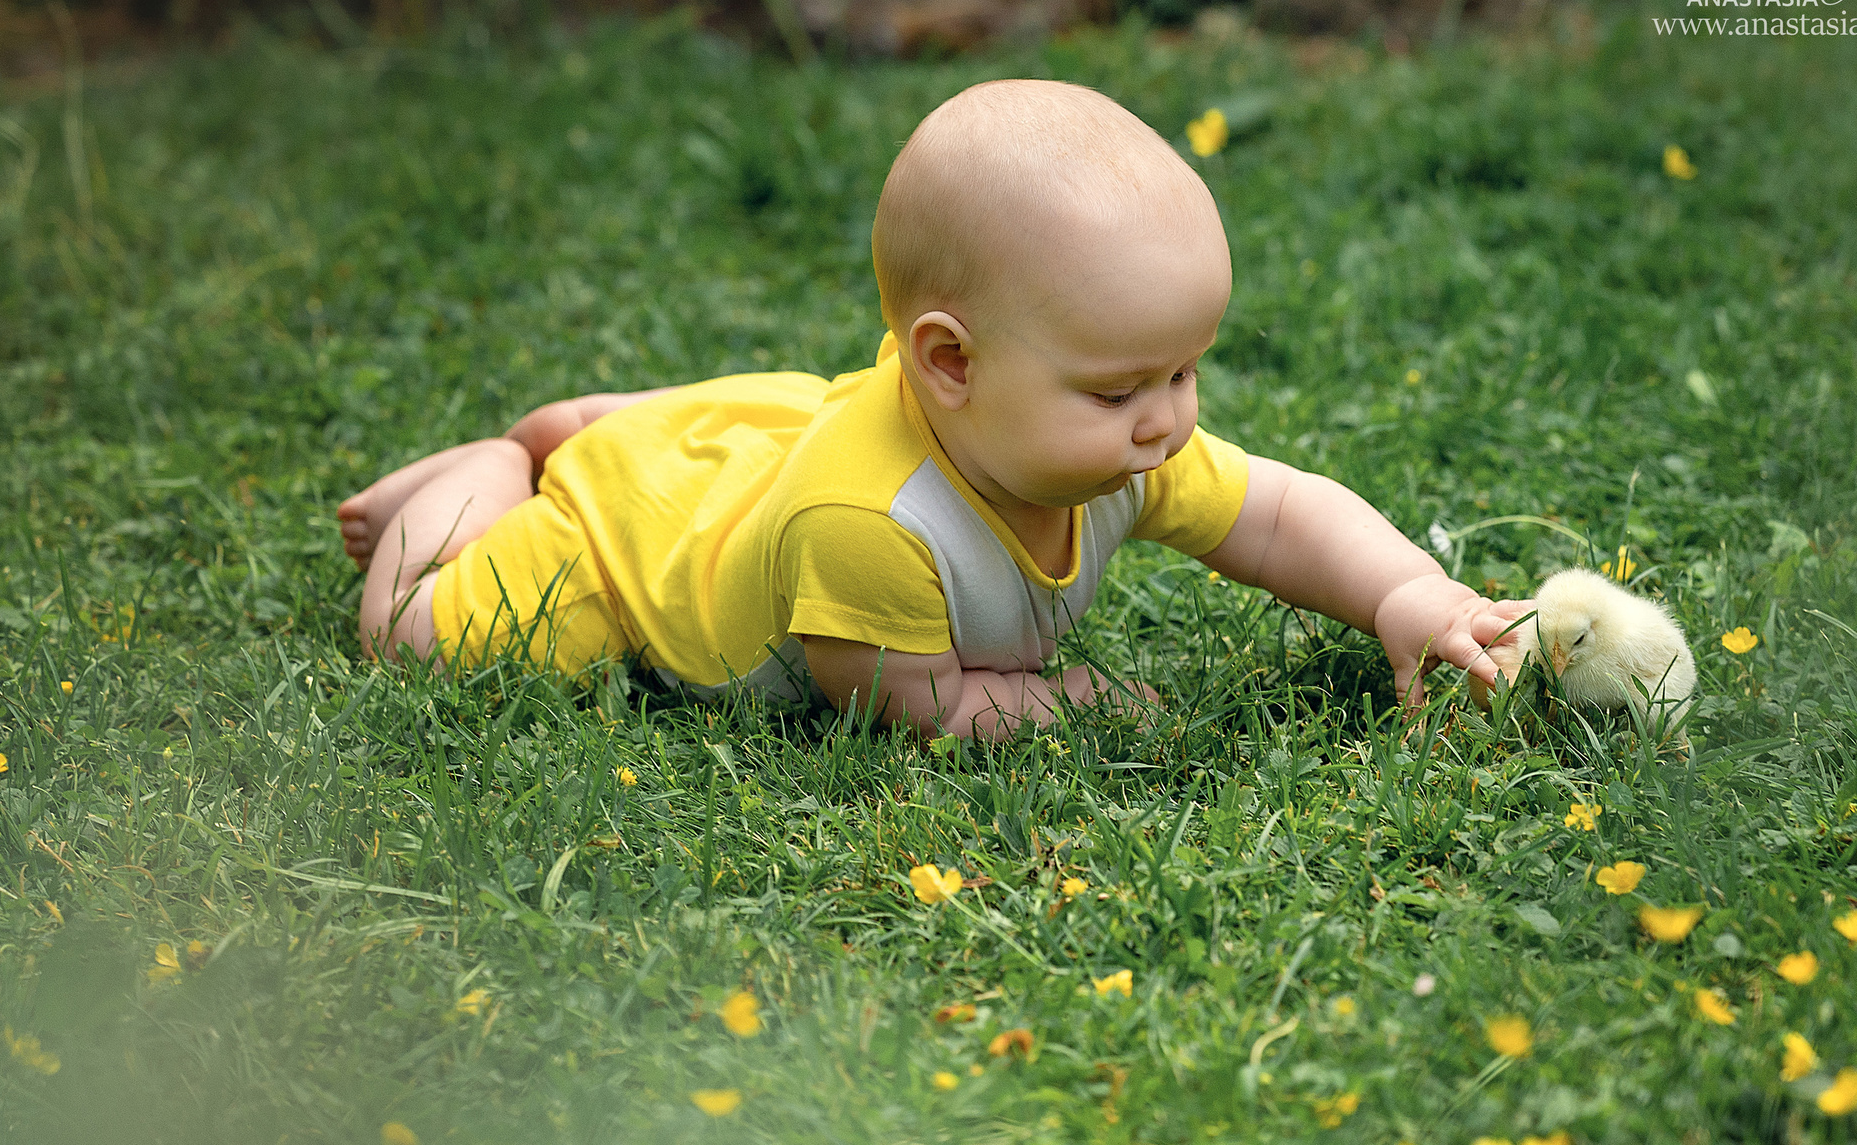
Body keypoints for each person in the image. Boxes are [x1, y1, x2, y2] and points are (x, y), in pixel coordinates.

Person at [335, 78, 1530, 739]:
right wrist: (1070, 697)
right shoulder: (875, 526)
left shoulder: (1114, 443)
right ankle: (488, 471)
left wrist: (1403, 592)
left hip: (774, 449)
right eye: (1120, 387)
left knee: (762, 437)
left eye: (1184, 371)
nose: (1166, 420)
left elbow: (1275, 515)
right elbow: (916, 702)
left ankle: (601, 425)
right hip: (641, 553)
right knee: (419, 641)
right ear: (948, 365)